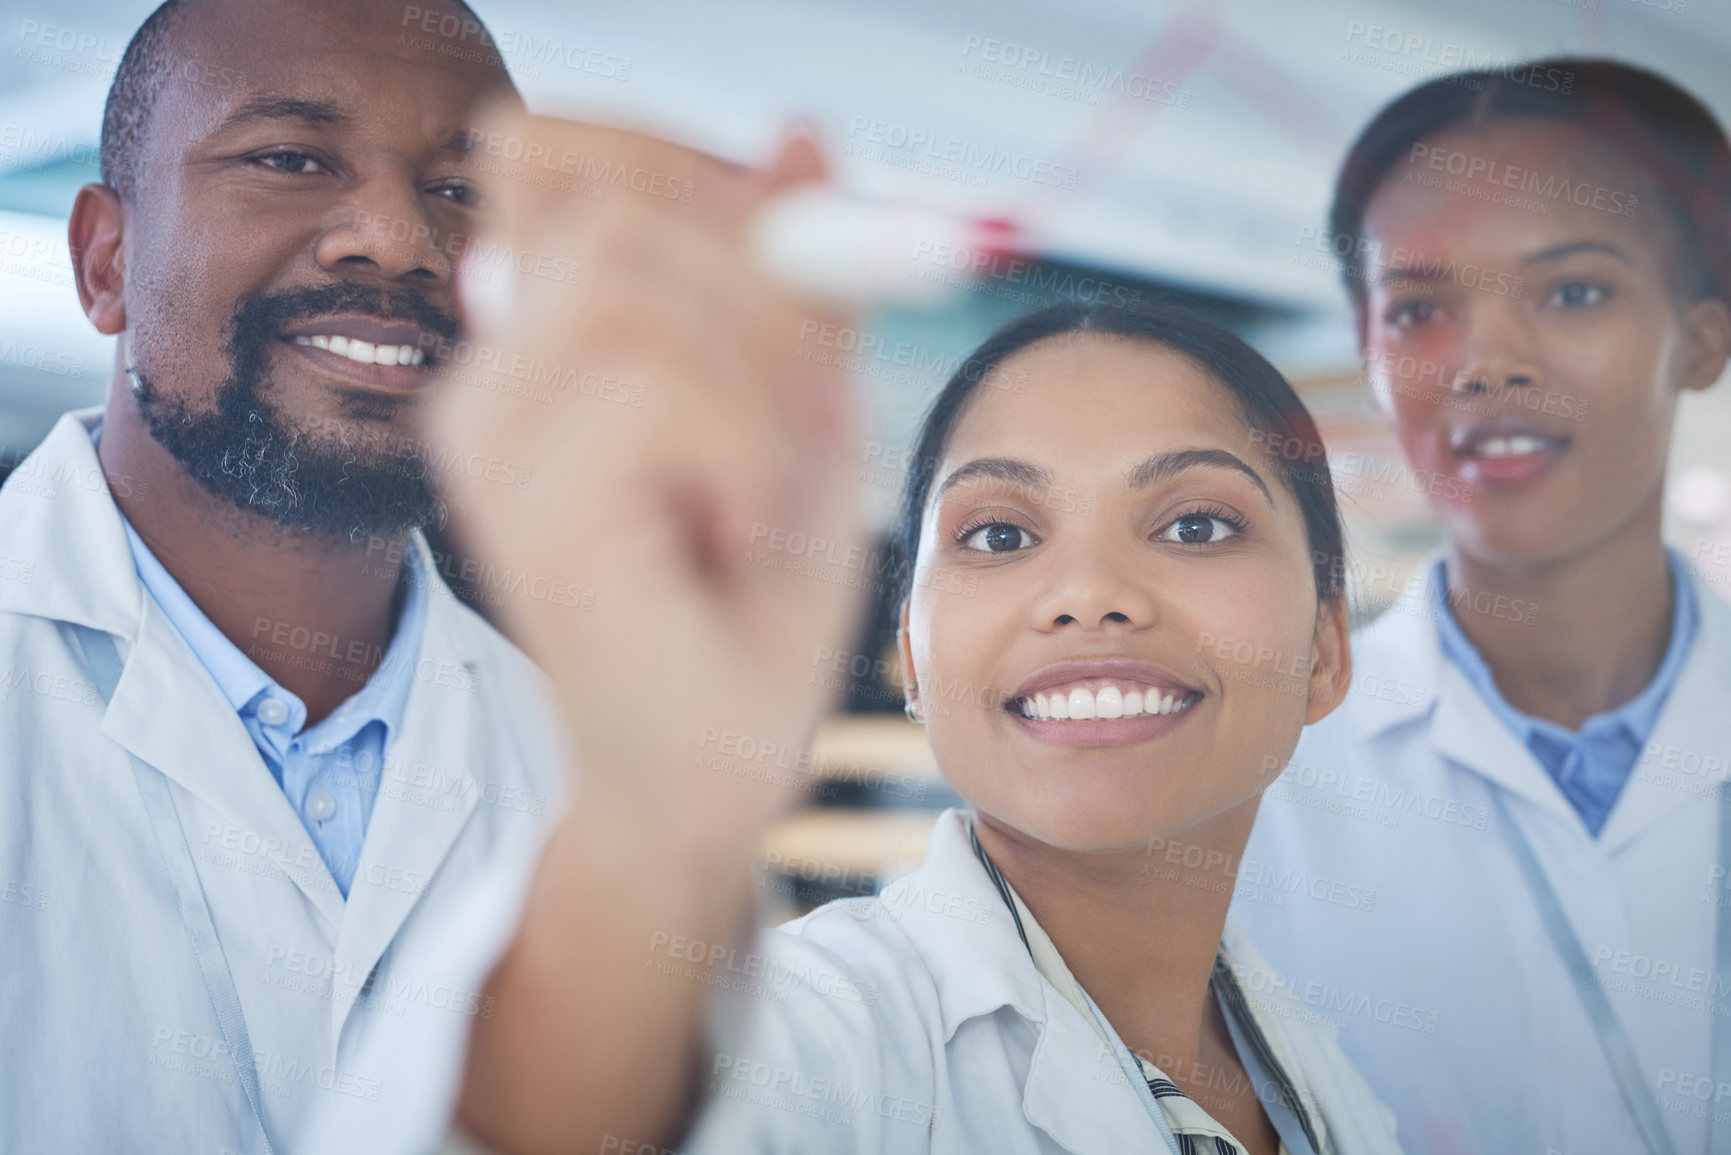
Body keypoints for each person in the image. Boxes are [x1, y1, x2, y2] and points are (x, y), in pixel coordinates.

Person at [0, 1, 563, 1151]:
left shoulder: (586, 774)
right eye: (291, 158)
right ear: (106, 261)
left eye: (464, 191)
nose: (400, 237)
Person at [1234, 59, 1731, 1155]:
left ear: (1702, 336)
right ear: (1368, 353)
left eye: (1574, 292)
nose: (1489, 363)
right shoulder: (1251, 787)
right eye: (1419, 309)